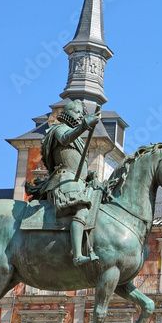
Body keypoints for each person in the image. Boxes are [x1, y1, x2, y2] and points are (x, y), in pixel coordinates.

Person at [26, 99, 102, 264]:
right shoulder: (59, 128)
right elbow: (65, 139)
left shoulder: (78, 139)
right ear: (67, 113)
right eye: (78, 113)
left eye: (82, 114)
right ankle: (77, 255)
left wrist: (90, 175)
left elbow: (77, 164)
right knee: (81, 209)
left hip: (78, 182)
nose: (81, 116)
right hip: (64, 180)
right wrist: (85, 126)